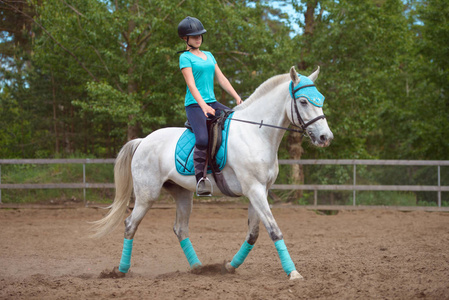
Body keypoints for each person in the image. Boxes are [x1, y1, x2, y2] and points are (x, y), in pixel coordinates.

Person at [178, 16, 242, 196]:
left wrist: (237, 97)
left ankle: (226, 165)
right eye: (194, 36)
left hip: (212, 101)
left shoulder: (209, 56)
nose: (198, 38)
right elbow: (191, 84)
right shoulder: (185, 58)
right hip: (194, 105)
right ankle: (200, 179)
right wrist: (203, 106)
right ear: (185, 39)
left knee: (233, 121)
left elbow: (221, 78)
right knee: (202, 140)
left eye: (200, 35)